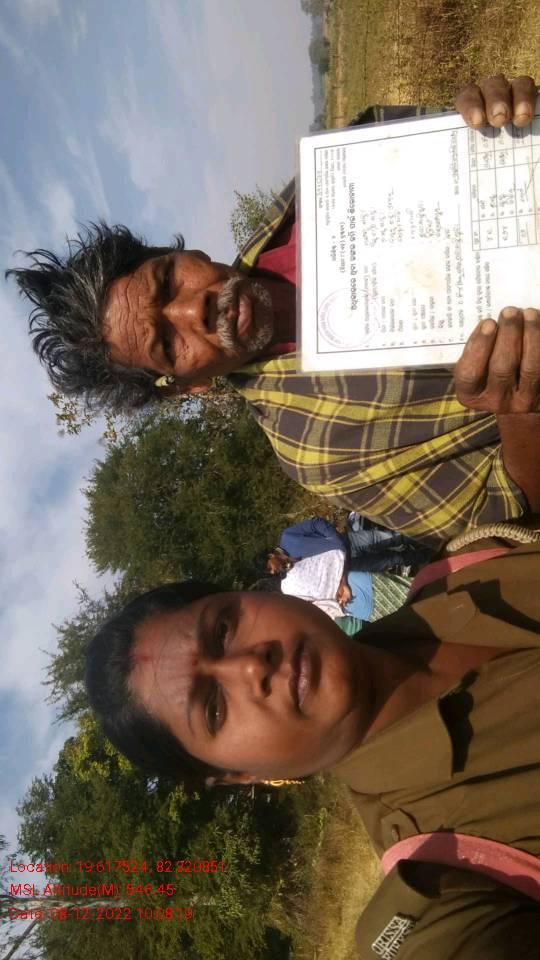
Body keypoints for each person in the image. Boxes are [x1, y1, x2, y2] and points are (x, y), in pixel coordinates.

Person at [7, 75, 540, 545]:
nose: (194, 310)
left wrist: (502, 120)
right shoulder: (322, 451)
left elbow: (479, 138)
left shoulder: (321, 186)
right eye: (168, 344)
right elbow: (507, 518)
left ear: (183, 253)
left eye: (168, 280)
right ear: (186, 386)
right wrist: (520, 412)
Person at [85, 518, 540, 956]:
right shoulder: (450, 880)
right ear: (237, 774)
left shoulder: (467, 561)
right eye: (214, 708)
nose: (251, 666)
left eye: (222, 630)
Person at [266, 516, 431, 576]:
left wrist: (335, 540)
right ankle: (428, 556)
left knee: (392, 539)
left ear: (271, 556)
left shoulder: (288, 536)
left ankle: (431, 534)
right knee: (393, 560)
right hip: (351, 565)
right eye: (270, 573)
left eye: (269, 568)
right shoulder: (293, 571)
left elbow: (316, 523)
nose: (273, 572)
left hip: (349, 542)